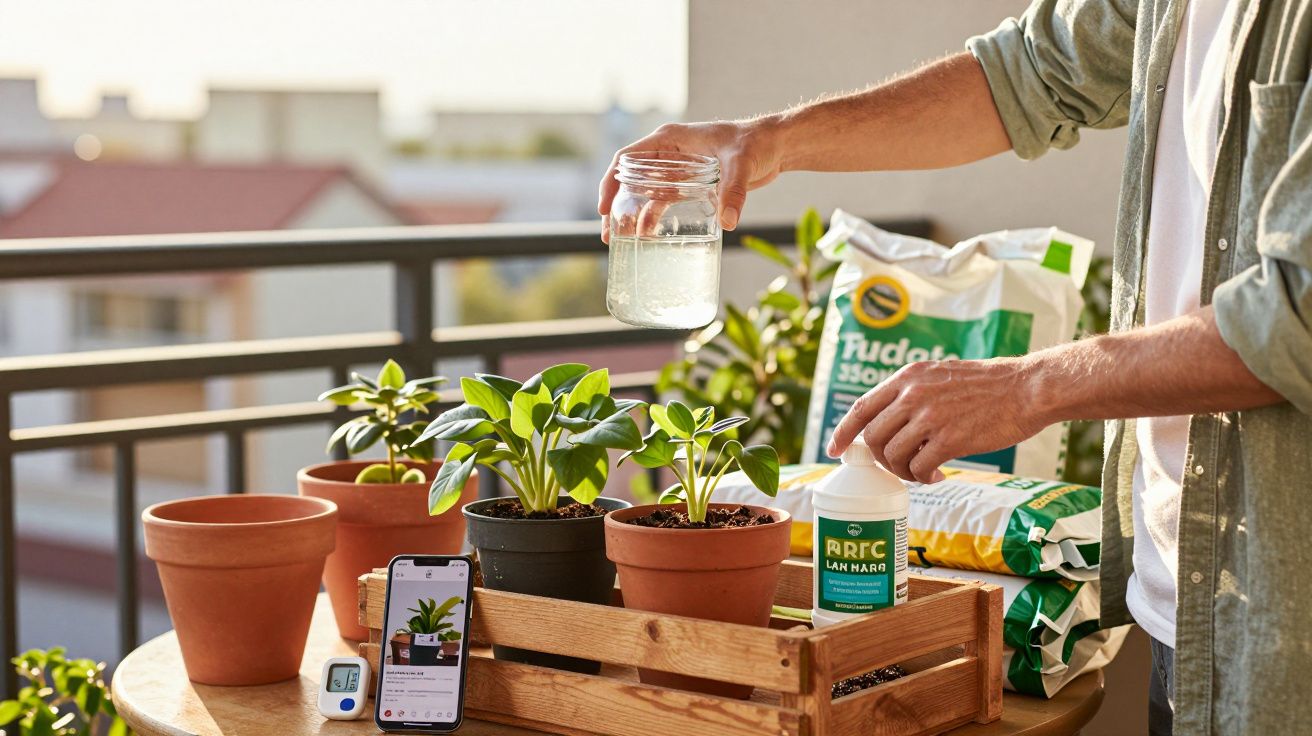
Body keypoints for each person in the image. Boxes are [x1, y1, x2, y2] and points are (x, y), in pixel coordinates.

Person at [598, 1, 1312, 733]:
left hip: (1285, 629)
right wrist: (767, 140)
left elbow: (1297, 314)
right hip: (1181, 601)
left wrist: (1027, 387)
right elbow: (1027, 73)